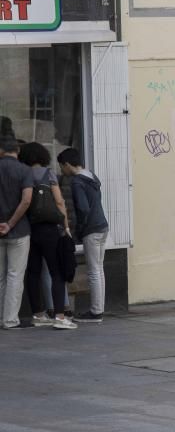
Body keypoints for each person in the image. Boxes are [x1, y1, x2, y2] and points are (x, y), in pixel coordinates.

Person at [19, 143, 76, 329]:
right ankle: (60, 316)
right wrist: (66, 226)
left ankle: (38, 315)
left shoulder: (23, 174)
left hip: (30, 229)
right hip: (50, 229)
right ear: (43, 156)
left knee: (33, 272)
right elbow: (59, 201)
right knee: (56, 271)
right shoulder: (48, 173)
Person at [57, 148, 109, 323]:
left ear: (67, 164)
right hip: (102, 225)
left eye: (62, 167)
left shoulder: (77, 182)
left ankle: (95, 312)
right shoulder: (91, 176)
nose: (61, 171)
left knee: (93, 270)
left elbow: (83, 208)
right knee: (99, 269)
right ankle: (99, 309)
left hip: (91, 229)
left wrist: (79, 227)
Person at [0, 135, 33, 330]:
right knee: (15, 276)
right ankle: (10, 319)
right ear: (18, 151)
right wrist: (10, 224)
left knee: (0, 277)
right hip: (19, 230)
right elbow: (27, 200)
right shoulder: (24, 170)